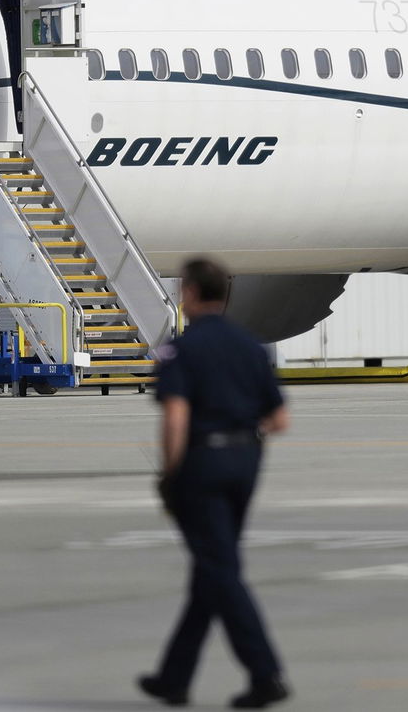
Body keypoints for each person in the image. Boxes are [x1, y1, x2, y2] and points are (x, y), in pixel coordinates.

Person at [138, 257, 291, 709]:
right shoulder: (250, 346)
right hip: (247, 459)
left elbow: (176, 415)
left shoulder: (181, 350)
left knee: (220, 570)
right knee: (214, 566)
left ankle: (265, 674)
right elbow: (280, 419)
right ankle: (174, 678)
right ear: (224, 295)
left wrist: (170, 472)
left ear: (187, 293)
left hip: (203, 461)